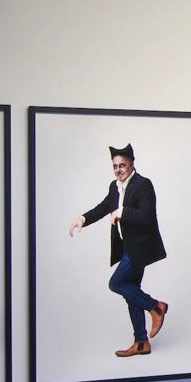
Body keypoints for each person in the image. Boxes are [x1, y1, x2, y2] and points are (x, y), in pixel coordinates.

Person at [68, 144, 168, 357]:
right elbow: (103, 207)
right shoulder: (114, 187)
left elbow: (147, 217)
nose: (118, 170)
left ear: (132, 164)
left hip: (140, 247)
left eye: (122, 165)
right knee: (131, 292)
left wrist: (123, 211)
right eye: (115, 166)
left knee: (117, 283)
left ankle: (156, 307)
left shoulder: (143, 184)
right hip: (126, 246)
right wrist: (82, 219)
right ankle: (141, 343)